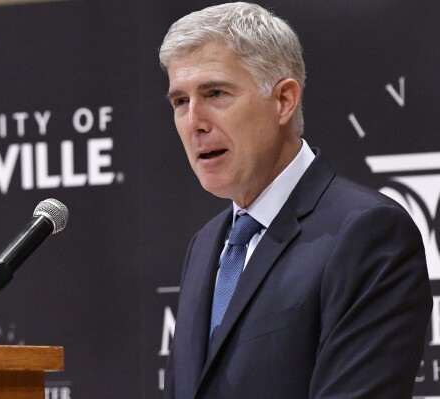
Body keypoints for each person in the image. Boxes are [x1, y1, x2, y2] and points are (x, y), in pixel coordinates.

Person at [158, 2, 432, 398]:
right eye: (180, 101)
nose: (194, 122)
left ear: (284, 100)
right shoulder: (205, 245)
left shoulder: (367, 232)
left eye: (215, 93)